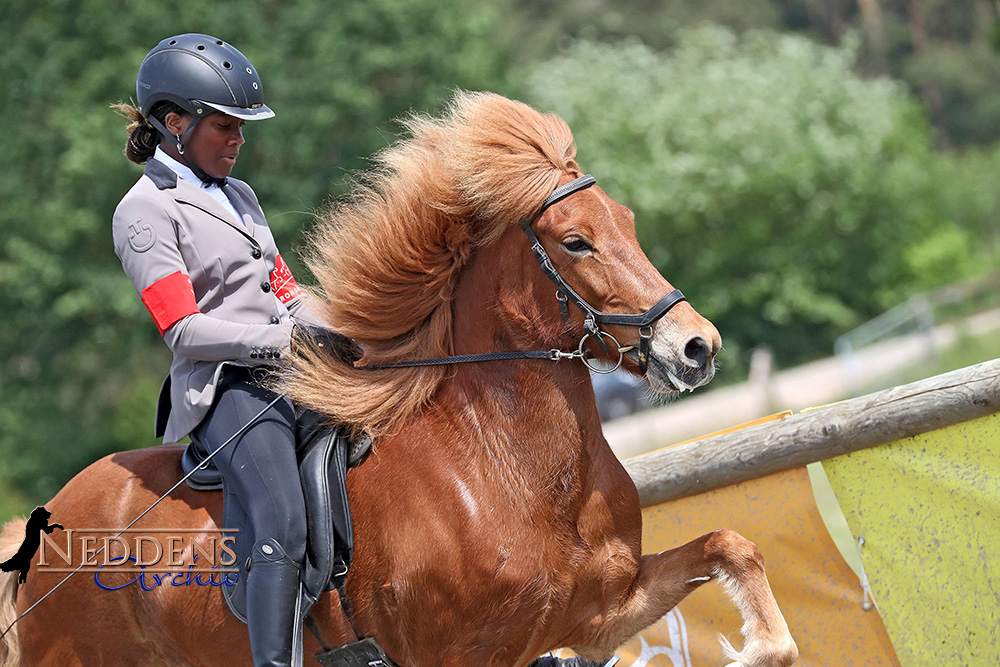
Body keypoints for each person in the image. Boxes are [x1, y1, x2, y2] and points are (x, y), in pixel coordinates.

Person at [112, 33, 356, 667]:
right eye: (225, 126)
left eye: (241, 128)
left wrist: (353, 328)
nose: (239, 140)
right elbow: (184, 332)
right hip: (227, 389)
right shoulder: (144, 212)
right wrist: (287, 339)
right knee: (282, 521)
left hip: (289, 371)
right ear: (175, 124)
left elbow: (286, 289)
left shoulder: (240, 195)